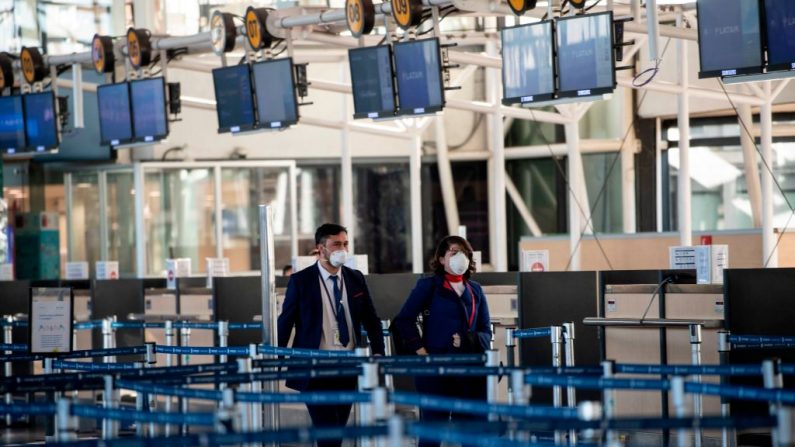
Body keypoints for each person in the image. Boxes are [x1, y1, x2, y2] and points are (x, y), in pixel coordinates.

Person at [277, 223, 385, 447]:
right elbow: (285, 322)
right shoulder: (301, 281)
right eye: (336, 244)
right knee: (328, 432)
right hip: (315, 367)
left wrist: (378, 351)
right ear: (321, 248)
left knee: (337, 430)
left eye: (345, 244)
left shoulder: (355, 278)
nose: (342, 249)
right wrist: (275, 358)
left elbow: (371, 319)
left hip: (347, 365)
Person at [392, 235, 491, 447]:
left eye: (464, 253)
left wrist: (465, 340)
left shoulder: (475, 290)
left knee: (472, 434)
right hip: (435, 371)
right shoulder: (429, 286)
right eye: (454, 252)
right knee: (432, 433)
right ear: (441, 259)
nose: (460, 258)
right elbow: (404, 321)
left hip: (470, 372)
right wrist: (422, 353)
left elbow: (486, 332)